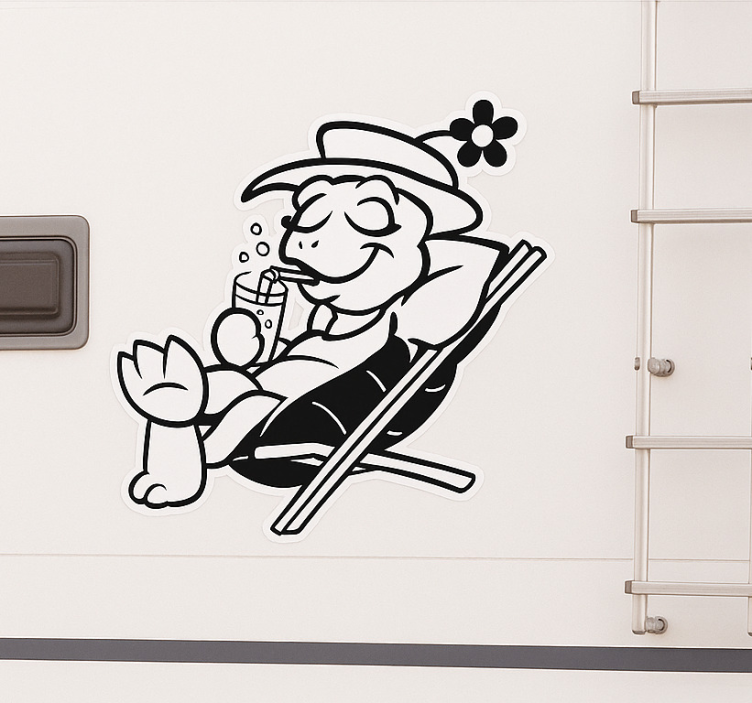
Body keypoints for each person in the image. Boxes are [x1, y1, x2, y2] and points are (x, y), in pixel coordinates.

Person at [117, 122, 506, 507]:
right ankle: (177, 402)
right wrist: (252, 345)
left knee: (249, 407)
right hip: (274, 383)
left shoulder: (408, 319)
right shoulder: (327, 317)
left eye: (368, 216)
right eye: (310, 214)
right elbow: (301, 354)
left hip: (306, 413)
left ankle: (184, 461)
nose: (306, 238)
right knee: (224, 383)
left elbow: (469, 268)